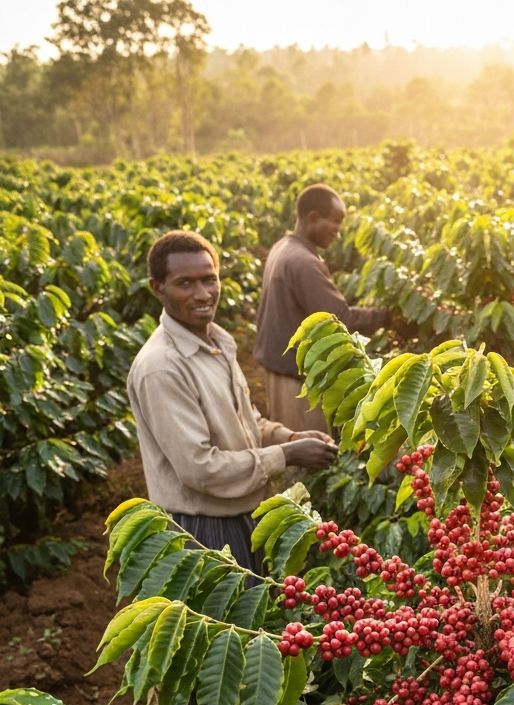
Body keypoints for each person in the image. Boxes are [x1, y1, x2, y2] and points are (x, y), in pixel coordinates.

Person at [128, 230, 337, 574]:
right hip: (201, 529)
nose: (203, 294)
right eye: (185, 284)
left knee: (258, 619)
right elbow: (200, 469)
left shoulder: (217, 343)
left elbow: (246, 420)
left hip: (244, 515)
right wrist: (285, 456)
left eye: (209, 280)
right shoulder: (162, 367)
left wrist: (289, 438)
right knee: (225, 624)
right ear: (157, 288)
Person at [254, 183, 389, 432]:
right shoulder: (303, 261)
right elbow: (340, 319)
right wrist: (385, 317)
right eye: (335, 222)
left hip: (277, 367)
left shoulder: (282, 247)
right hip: (294, 379)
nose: (338, 231)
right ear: (313, 218)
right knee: (308, 450)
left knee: (290, 441)